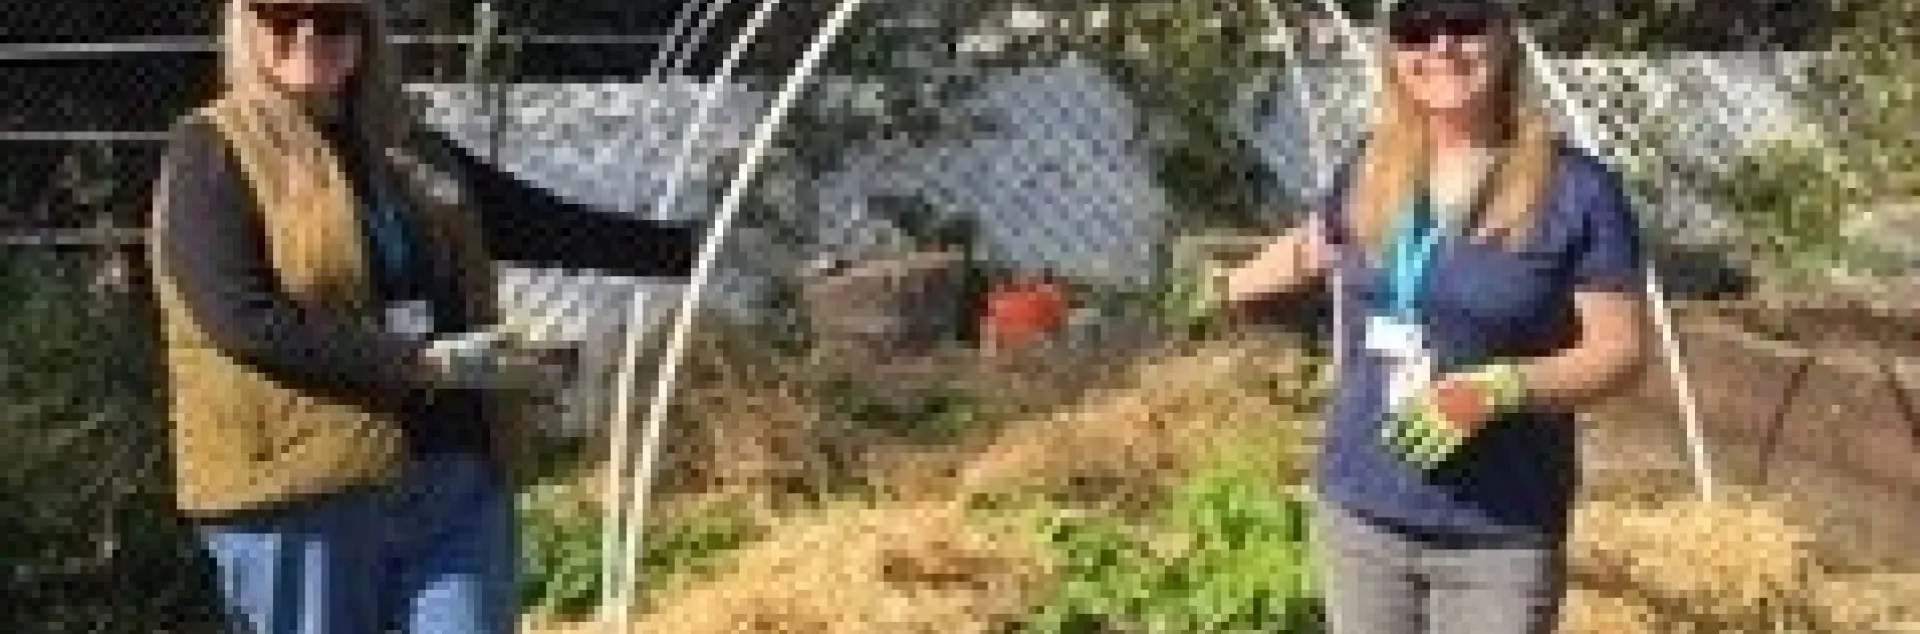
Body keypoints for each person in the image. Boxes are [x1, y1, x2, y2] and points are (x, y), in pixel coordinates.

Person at [145, 1, 696, 632]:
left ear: (364, 33)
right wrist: (415, 362)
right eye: (283, 18)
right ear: (246, 27)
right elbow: (240, 318)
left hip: (450, 479)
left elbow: (540, 222)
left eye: (332, 20)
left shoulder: (405, 146)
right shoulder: (214, 149)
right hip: (301, 496)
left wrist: (694, 249)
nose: (308, 36)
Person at [1214, 0, 1650, 632]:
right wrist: (1224, 288)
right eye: (1417, 28)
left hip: (1498, 532)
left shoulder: (1577, 192)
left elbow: (1621, 353)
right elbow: (1315, 245)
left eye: (1465, 22)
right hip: (1361, 510)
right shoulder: (1374, 166)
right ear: (1394, 52)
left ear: (1505, 35)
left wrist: (1498, 389)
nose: (1441, 46)